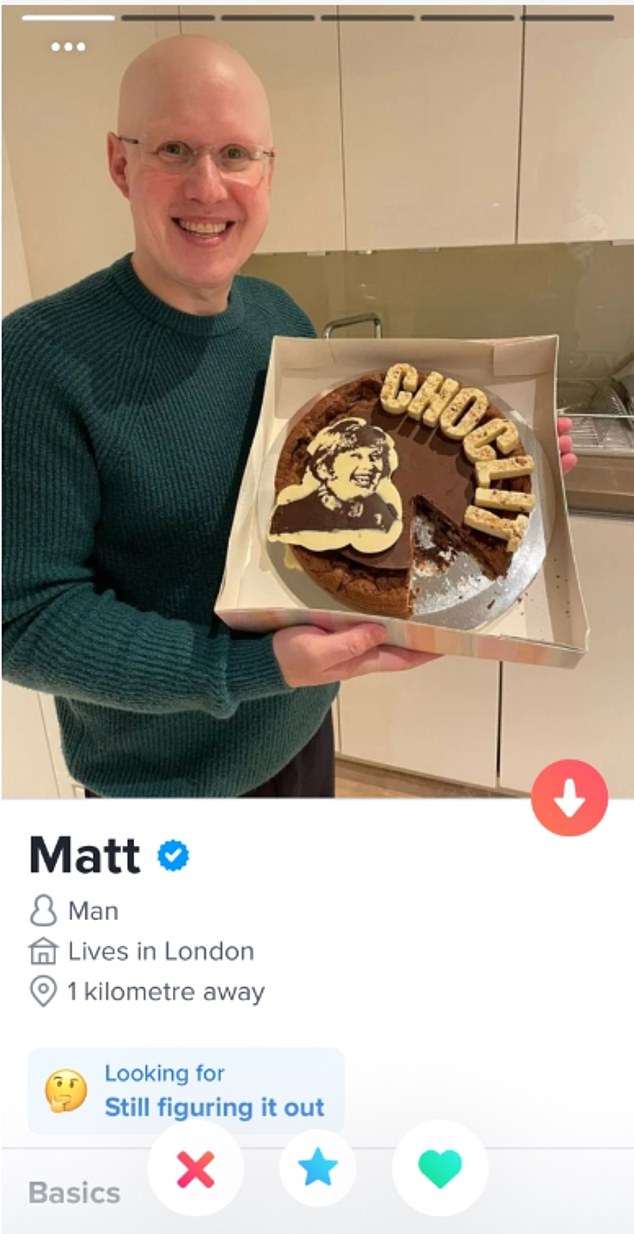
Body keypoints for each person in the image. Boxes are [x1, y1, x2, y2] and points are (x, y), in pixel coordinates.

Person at [2, 36, 577, 799]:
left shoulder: (280, 318)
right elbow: (28, 620)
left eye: (236, 153)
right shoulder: (37, 358)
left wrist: (484, 477)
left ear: (267, 170)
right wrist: (245, 668)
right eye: (174, 148)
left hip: (299, 727)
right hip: (167, 789)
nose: (208, 187)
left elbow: (349, 491)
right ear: (120, 163)